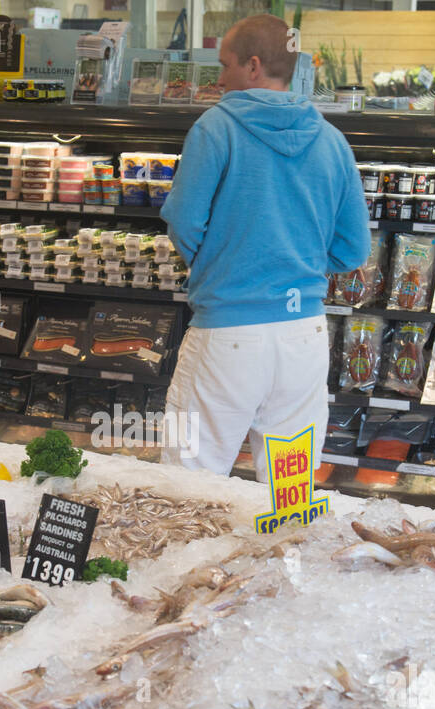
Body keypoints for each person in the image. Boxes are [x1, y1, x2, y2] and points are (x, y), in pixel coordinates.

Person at [159, 13, 368, 481]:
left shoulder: (216, 128)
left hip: (228, 334)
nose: (219, 76)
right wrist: (301, 263)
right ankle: (283, 556)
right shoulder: (333, 141)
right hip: (304, 336)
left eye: (225, 64)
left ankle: (190, 558)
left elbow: (184, 221)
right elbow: (353, 248)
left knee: (188, 481)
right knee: (289, 486)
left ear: (253, 66)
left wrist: (220, 265)